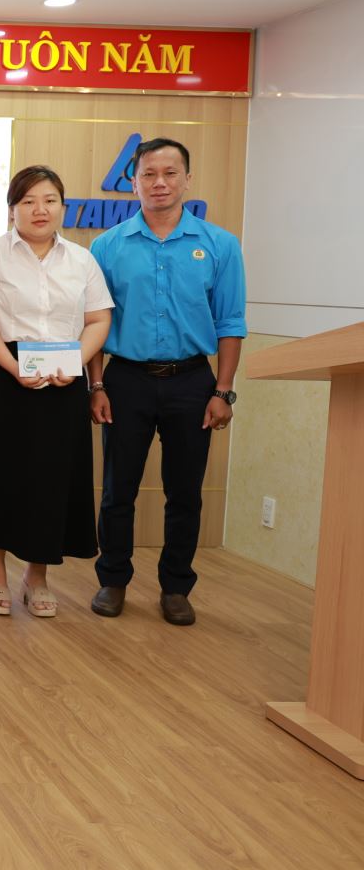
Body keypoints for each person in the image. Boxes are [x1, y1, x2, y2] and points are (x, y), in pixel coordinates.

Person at [87, 138, 246, 626]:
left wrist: (222, 390)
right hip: (126, 380)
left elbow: (230, 322)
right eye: (149, 174)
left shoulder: (220, 245)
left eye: (170, 173)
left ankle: (176, 587)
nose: (159, 183)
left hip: (192, 382)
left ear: (187, 180)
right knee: (118, 489)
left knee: (185, 492)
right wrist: (97, 385)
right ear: (133, 182)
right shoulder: (107, 246)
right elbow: (93, 321)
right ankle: (113, 580)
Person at [0, 165, 112, 616]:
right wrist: (13, 365)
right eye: (28, 201)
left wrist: (74, 363)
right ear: (12, 209)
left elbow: (99, 319)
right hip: (1, 376)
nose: (40, 210)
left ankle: (37, 576)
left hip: (63, 377)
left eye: (50, 200)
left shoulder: (82, 260)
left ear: (63, 207)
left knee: (51, 479)